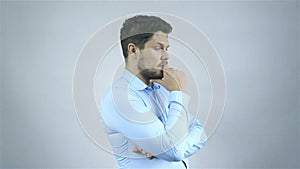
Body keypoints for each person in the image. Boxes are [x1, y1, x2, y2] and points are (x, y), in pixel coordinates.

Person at [100, 15, 207, 169]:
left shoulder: (161, 91)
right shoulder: (120, 98)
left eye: (166, 49)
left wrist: (161, 149)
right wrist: (179, 92)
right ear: (133, 50)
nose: (166, 56)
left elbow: (200, 133)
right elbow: (174, 152)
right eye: (158, 48)